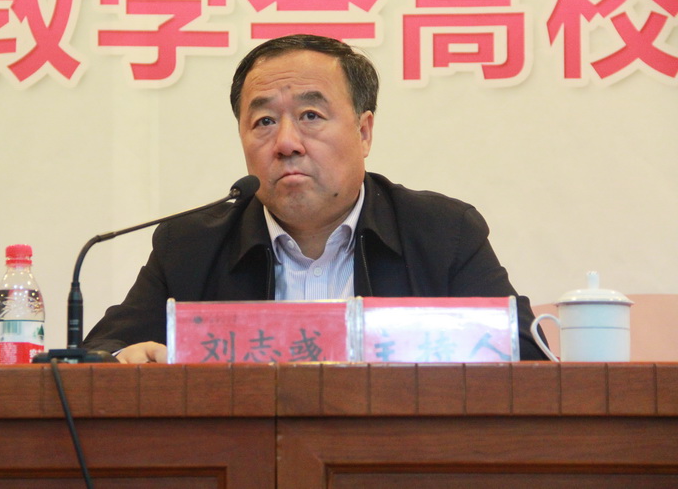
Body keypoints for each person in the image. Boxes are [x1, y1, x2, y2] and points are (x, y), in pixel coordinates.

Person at [82, 34, 548, 362]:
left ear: (364, 132)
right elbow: (94, 356)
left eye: (310, 115)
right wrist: (124, 359)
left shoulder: (442, 232)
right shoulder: (191, 246)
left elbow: (526, 358)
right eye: (264, 122)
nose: (286, 143)